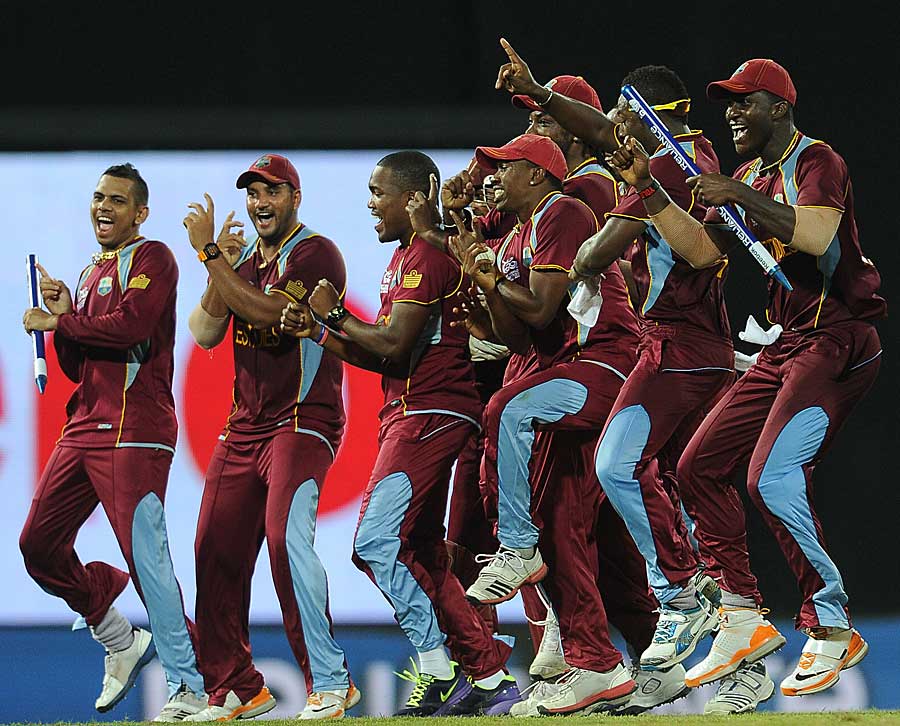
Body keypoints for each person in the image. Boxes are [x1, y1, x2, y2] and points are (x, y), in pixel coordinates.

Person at [606, 58, 885, 702]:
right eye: (726, 102)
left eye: (744, 102)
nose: (730, 112)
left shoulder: (816, 160)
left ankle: (832, 620)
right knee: (699, 465)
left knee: (770, 477)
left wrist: (736, 195)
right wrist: (647, 188)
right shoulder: (750, 174)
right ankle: (740, 614)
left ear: (780, 111)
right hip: (787, 343)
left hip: (840, 338)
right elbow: (703, 251)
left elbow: (816, 236)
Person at [494, 40, 739, 694]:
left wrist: (582, 260)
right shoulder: (656, 162)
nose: (537, 133)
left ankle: (670, 601)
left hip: (669, 349)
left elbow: (607, 244)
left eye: (546, 121)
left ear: (644, 114)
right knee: (652, 485)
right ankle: (695, 633)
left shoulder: (640, 173)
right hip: (665, 348)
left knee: (611, 475)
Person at [281, 150, 518, 717]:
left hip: (431, 415)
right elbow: (388, 355)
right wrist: (320, 329)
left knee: (374, 542)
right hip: (413, 410)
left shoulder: (426, 260)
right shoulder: (409, 258)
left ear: (415, 196)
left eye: (378, 191)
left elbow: (391, 342)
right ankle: (487, 677)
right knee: (422, 552)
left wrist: (335, 316)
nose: (370, 203)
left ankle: (438, 668)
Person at [452, 134, 641, 714]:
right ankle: (595, 664)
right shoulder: (514, 236)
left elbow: (543, 307)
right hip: (562, 375)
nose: (493, 176)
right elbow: (520, 336)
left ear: (537, 175)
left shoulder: (563, 211)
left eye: (506, 167)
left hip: (604, 362)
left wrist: (490, 282)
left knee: (506, 407)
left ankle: (515, 548)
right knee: (559, 521)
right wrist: (484, 299)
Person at [20, 163, 208, 721]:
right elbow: (77, 366)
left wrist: (62, 324)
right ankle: (118, 637)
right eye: (98, 197)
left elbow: (132, 328)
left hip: (136, 429)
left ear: (140, 213)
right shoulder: (87, 273)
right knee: (38, 545)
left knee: (147, 561)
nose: (104, 207)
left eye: (118, 201)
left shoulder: (154, 258)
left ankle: (191, 686)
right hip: (85, 427)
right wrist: (66, 315)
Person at [181, 154, 359, 721]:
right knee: (213, 549)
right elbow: (206, 332)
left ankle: (330, 680)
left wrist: (211, 255)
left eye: (272, 192)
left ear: (295, 198)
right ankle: (236, 687)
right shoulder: (246, 263)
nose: (260, 202)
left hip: (303, 420)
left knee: (284, 539)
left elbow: (274, 313)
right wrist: (222, 268)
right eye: (253, 193)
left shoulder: (315, 252)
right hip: (245, 427)